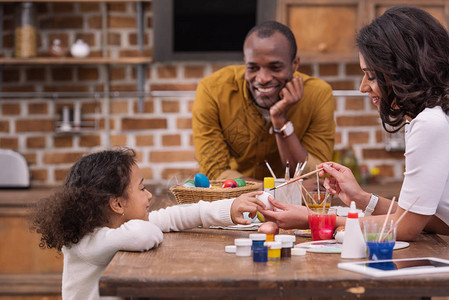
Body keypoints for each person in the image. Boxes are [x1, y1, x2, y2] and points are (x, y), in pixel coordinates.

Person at [259, 5, 449, 241]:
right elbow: (433, 220)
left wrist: (315, 219)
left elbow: (408, 227)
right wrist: (361, 198)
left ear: (403, 70)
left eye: (370, 75)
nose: (363, 87)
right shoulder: (435, 117)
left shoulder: (430, 123)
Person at [30, 148, 265, 300]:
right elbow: (144, 234)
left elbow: (174, 216)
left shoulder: (117, 227)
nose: (149, 195)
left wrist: (228, 208)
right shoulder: (88, 242)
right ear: (117, 204)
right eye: (141, 188)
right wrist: (154, 225)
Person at [192, 21, 335, 182]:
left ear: (294, 64)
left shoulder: (318, 95)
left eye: (275, 68)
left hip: (294, 205)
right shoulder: (212, 90)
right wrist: (272, 191)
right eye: (253, 68)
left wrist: (280, 121)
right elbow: (214, 172)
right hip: (235, 201)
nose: (263, 79)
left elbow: (318, 174)